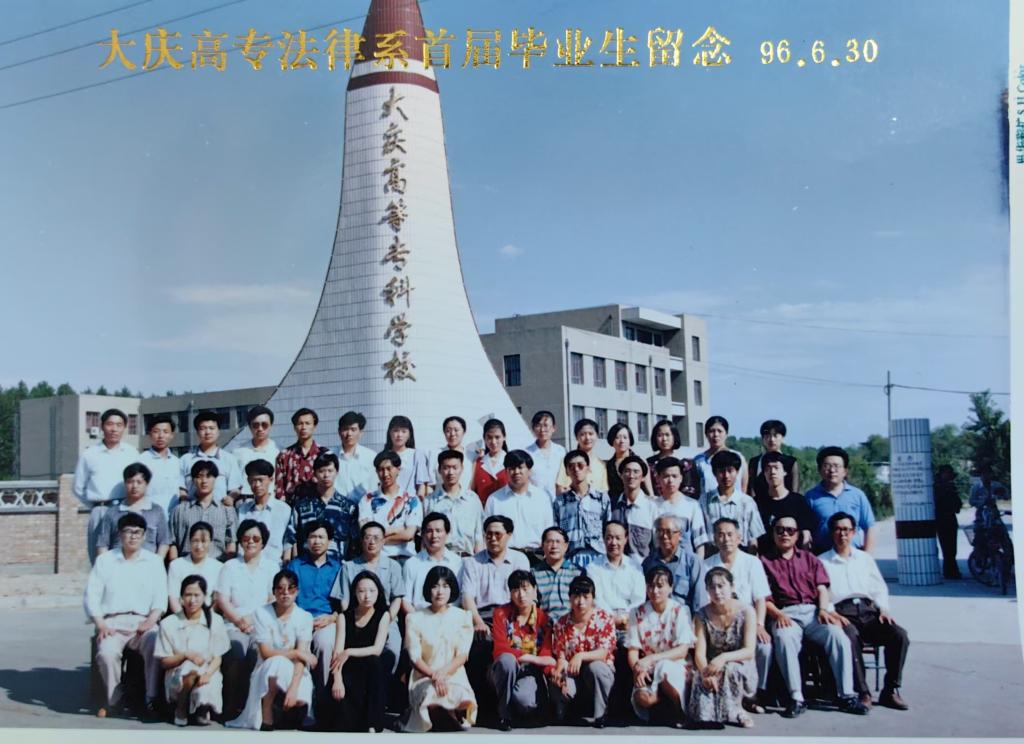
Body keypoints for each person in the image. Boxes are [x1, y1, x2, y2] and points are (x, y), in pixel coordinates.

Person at [759, 516, 867, 718]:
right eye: (780, 530)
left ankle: (847, 695)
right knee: (783, 637)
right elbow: (762, 598)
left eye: (790, 530)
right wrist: (778, 614)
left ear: (797, 535)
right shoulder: (764, 562)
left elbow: (822, 588)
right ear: (773, 534)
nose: (785, 534)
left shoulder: (810, 559)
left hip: (813, 612)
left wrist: (823, 610)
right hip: (785, 613)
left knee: (838, 636)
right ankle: (796, 697)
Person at [821, 512, 911, 710]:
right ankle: (863, 692)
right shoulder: (822, 561)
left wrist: (884, 608)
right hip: (842, 613)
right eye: (838, 529)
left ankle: (890, 690)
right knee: (849, 637)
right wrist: (831, 612)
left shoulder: (864, 558)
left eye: (846, 530)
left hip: (868, 611)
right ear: (831, 532)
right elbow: (821, 593)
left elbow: (878, 587)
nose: (842, 534)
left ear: (853, 533)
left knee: (899, 635)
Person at [84, 512, 167, 719]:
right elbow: (92, 595)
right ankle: (115, 699)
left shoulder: (154, 562)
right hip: (112, 623)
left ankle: (151, 698)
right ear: (120, 534)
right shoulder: (105, 561)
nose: (133, 536)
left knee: (155, 645)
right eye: (128, 532)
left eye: (137, 532)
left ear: (144, 535)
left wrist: (150, 621)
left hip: (143, 622)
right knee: (106, 653)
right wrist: (101, 624)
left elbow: (160, 598)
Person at [226, 569, 316, 731]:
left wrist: (293, 689)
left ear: (297, 591)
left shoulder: (305, 617)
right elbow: (266, 652)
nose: (285, 593)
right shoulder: (261, 613)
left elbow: (301, 659)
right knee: (276, 662)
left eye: (291, 588)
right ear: (274, 592)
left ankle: (292, 713)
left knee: (299, 698)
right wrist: (296, 652)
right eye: (280, 588)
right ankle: (266, 713)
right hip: (266, 669)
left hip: (295, 670)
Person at [695, 519, 772, 702]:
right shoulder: (706, 564)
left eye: (730, 534)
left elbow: (760, 599)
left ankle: (755, 694)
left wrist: (760, 624)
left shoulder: (752, 562)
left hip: (746, 622)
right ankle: (721, 692)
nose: (726, 539)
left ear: (739, 537)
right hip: (717, 622)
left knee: (764, 647)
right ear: (714, 539)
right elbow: (704, 601)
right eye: (721, 535)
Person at [215, 520, 279, 718]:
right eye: (246, 538)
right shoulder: (230, 566)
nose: (251, 542)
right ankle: (231, 703)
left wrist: (252, 620)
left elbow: (273, 598)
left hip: (262, 624)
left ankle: (256, 707)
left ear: (263, 542)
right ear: (240, 541)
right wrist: (239, 621)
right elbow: (222, 600)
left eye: (256, 538)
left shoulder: (271, 567)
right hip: (234, 624)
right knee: (237, 650)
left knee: (258, 652)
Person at [403, 566, 477, 732]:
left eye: (445, 586)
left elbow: (462, 655)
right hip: (425, 676)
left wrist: (442, 674)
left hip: (453, 675)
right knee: (431, 695)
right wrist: (434, 676)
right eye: (435, 586)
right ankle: (439, 715)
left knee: (460, 696)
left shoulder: (463, 617)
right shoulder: (414, 618)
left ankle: (447, 715)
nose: (440, 592)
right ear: (428, 589)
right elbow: (415, 658)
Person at [285, 520, 343, 718]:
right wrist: (302, 620)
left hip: (326, 621)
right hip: (298, 619)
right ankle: (297, 704)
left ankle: (323, 704)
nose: (316, 541)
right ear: (306, 541)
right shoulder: (295, 565)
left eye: (321, 537)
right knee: (295, 647)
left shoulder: (337, 568)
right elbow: (288, 598)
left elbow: (343, 605)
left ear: (329, 541)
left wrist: (332, 618)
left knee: (325, 644)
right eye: (312, 537)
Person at [155, 575, 230, 726]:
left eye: (197, 595)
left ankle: (200, 709)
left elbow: (217, 657)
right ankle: (182, 704)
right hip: (178, 675)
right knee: (189, 667)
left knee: (205, 688)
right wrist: (185, 655)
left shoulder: (215, 621)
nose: (192, 600)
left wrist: (208, 674)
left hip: (208, 671)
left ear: (205, 596)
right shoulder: (168, 623)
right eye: (188, 595)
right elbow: (164, 662)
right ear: (181, 597)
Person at [330, 521, 404, 673]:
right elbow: (344, 600)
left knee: (393, 650)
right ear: (361, 540)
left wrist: (388, 618)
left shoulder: (393, 566)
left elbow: (397, 597)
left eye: (376, 538)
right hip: (356, 620)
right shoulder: (348, 567)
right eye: (368, 537)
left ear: (383, 541)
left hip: (386, 619)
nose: (372, 542)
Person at [689, 567, 758, 729]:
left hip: (740, 663)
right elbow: (699, 653)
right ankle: (710, 715)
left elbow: (749, 651)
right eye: (712, 587)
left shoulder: (747, 611)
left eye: (721, 586)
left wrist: (724, 658)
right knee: (702, 677)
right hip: (712, 665)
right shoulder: (701, 615)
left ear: (732, 587)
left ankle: (737, 711)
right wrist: (705, 672)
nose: (717, 591)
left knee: (730, 669)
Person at [625, 565, 694, 726]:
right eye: (651, 586)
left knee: (664, 668)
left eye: (660, 586)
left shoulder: (680, 610)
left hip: (675, 665)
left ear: (670, 588)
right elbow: (633, 650)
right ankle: (661, 705)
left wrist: (651, 659)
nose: (655, 591)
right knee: (642, 697)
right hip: (647, 668)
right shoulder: (637, 612)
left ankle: (679, 712)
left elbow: (682, 650)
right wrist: (638, 669)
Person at [489, 570, 556, 731]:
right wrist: (534, 658)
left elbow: (546, 654)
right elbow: (500, 649)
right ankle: (504, 713)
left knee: (526, 703)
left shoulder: (544, 619)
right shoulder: (501, 614)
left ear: (534, 589)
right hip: (504, 668)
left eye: (525, 589)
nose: (521, 595)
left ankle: (516, 702)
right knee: (507, 660)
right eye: (515, 590)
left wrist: (553, 672)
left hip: (529, 671)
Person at [549, 575, 617, 727]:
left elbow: (604, 652)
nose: (581, 602)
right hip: (572, 672)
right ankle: (562, 709)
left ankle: (600, 714)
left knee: (597, 668)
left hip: (597, 671)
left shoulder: (604, 619)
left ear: (593, 598)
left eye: (586, 597)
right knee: (557, 677)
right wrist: (560, 669)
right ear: (569, 598)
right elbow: (561, 655)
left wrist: (580, 656)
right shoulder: (561, 623)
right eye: (576, 596)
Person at [328, 571, 392, 732]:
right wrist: (337, 680)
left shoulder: (383, 615)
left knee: (376, 663)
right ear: (354, 593)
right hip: (347, 670)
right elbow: (337, 653)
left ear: (378, 592)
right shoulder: (344, 617)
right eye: (361, 591)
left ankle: (372, 723)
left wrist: (349, 651)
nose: (367, 596)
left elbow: (377, 649)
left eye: (372, 591)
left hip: (369, 669)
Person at [73, 407, 139, 564]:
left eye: (119, 425)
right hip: (100, 511)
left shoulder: (132, 453)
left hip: (125, 509)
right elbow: (78, 487)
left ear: (124, 428)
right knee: (99, 559)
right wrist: (96, 506)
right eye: (110, 424)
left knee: (126, 557)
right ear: (102, 426)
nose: (114, 429)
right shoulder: (89, 454)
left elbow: (139, 481)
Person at [461, 516, 531, 635]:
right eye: (489, 534)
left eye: (498, 534)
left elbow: (525, 594)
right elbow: (467, 597)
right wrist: (478, 623)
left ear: (509, 535)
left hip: (512, 616)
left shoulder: (520, 559)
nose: (493, 539)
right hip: (483, 617)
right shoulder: (473, 562)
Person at [284, 452, 357, 561]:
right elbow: (290, 537)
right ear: (314, 474)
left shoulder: (348, 507)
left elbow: (355, 542)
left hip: (339, 565)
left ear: (337, 472)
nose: (326, 475)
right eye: (321, 471)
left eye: (330, 471)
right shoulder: (301, 507)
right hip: (306, 564)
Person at [805, 447, 876, 554]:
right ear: (819, 470)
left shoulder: (857, 495)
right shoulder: (810, 497)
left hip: (853, 556)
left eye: (837, 466)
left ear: (845, 471)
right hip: (822, 557)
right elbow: (805, 531)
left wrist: (867, 556)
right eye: (827, 466)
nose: (832, 470)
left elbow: (869, 526)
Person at [483, 450, 553, 555]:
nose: (516, 472)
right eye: (511, 468)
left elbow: (549, 531)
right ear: (506, 471)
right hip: (505, 556)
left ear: (529, 470)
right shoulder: (494, 500)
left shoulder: (542, 498)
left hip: (537, 556)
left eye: (520, 467)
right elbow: (486, 534)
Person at [357, 450, 424, 562]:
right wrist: (397, 529)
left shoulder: (411, 500)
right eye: (381, 470)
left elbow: (408, 535)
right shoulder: (367, 500)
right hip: (377, 559)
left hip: (404, 557)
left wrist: (379, 537)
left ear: (398, 469)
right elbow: (367, 535)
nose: (385, 474)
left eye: (389, 468)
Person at [97, 463, 170, 559]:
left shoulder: (156, 511)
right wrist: (106, 564)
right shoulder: (112, 512)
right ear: (125, 483)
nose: (134, 486)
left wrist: (157, 563)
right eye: (130, 482)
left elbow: (164, 542)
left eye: (139, 482)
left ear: (147, 484)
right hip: (117, 563)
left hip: (147, 563)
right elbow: (103, 544)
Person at [584, 521, 646, 635]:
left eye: (618, 538)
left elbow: (639, 599)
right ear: (603, 539)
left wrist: (625, 618)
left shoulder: (635, 567)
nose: (613, 542)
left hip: (630, 619)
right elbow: (597, 599)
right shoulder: (593, 568)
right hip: (601, 620)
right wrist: (612, 619)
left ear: (626, 539)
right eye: (609, 538)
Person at [168, 460, 237, 561]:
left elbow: (231, 544)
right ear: (193, 480)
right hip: (186, 565)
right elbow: (172, 543)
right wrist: (175, 565)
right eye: (199, 476)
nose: (204, 481)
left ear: (215, 479)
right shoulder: (179, 510)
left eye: (208, 476)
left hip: (216, 565)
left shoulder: (227, 511)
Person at [554, 449, 611, 568]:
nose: (576, 469)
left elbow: (608, 528)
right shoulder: (560, 502)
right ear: (567, 471)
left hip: (598, 555)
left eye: (580, 465)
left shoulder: (601, 498)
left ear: (588, 468)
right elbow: (556, 531)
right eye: (571, 466)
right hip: (570, 558)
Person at [699, 451, 765, 553]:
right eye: (721, 471)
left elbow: (753, 538)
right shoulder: (704, 500)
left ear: (737, 472)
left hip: (741, 553)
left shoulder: (747, 502)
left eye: (730, 471)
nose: (726, 476)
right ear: (714, 473)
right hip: (713, 554)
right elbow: (700, 535)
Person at [424, 450, 484, 557]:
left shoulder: (472, 499)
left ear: (462, 469)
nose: (451, 472)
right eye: (446, 468)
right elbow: (424, 538)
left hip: (467, 558)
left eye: (455, 468)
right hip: (439, 559)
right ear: (439, 470)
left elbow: (479, 536)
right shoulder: (430, 501)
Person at [755, 451, 816, 553]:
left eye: (776, 468)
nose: (772, 472)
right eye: (768, 469)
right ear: (764, 473)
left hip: (792, 557)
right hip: (764, 557)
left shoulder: (799, 501)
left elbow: (806, 535)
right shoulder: (756, 503)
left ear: (785, 472)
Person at [179, 410, 243, 508]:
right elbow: (181, 488)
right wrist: (184, 502)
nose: (208, 432)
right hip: (192, 511)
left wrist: (230, 498)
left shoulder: (229, 459)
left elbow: (235, 488)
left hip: (220, 510)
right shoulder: (185, 460)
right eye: (203, 428)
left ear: (218, 432)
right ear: (197, 432)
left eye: (212, 428)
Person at [402, 512, 464, 614]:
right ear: (422, 534)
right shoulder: (411, 564)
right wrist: (417, 619)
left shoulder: (458, 562)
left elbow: (462, 598)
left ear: (447, 534)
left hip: (451, 618)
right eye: (429, 531)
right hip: (420, 617)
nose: (434, 535)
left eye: (438, 531)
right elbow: (405, 601)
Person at [642, 514, 701, 612]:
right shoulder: (649, 563)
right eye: (660, 531)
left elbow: (699, 601)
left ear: (680, 535)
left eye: (669, 532)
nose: (664, 536)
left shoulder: (692, 561)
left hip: (684, 617)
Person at [654, 457, 711, 558]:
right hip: (659, 562)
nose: (670, 480)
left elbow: (699, 542)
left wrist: (698, 564)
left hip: (686, 562)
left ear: (681, 478)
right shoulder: (653, 505)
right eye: (666, 476)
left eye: (674, 476)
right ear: (658, 478)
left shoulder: (692, 505)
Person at [237, 459, 292, 561]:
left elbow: (288, 542)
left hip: (273, 565)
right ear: (248, 481)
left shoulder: (284, 509)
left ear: (271, 480)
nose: (257, 485)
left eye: (261, 480)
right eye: (253, 480)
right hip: (244, 564)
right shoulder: (242, 509)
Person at [611, 455, 659, 563]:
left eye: (636, 472)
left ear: (643, 478)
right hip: (615, 567)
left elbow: (657, 545)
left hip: (642, 568)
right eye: (627, 471)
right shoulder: (612, 505)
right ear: (621, 475)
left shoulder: (652, 507)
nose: (631, 476)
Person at [167, 522, 224, 614]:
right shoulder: (176, 565)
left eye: (203, 541)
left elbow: (217, 600)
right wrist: (184, 618)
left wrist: (206, 618)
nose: (199, 546)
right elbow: (173, 599)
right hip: (181, 615)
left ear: (210, 542)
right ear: (189, 541)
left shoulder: (219, 567)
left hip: (208, 616)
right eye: (195, 541)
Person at [275, 408, 327, 504]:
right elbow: (279, 489)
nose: (303, 427)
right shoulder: (284, 456)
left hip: (318, 506)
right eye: (300, 423)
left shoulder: (324, 454)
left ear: (314, 426)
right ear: (294, 427)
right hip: (291, 507)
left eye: (307, 423)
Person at [138, 413, 185, 516]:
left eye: (165, 432)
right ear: (149, 434)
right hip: (149, 516)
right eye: (156, 432)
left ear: (172, 435)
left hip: (174, 516)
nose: (161, 436)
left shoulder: (177, 462)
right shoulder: (141, 461)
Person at [533, 526, 582, 622]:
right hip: (543, 624)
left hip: (571, 623)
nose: (554, 546)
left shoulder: (577, 573)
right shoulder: (534, 573)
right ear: (542, 545)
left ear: (566, 546)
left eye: (558, 542)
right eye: (549, 542)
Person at [231, 405, 280, 500]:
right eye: (255, 425)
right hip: (245, 501)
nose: (260, 429)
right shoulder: (238, 452)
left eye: (264, 425)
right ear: (250, 426)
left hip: (271, 500)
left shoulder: (279, 452)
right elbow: (234, 483)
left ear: (271, 426)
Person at [693, 416, 748, 500]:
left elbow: (743, 488)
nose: (716, 435)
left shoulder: (738, 457)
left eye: (720, 431)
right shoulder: (698, 461)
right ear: (706, 434)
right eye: (712, 431)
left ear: (726, 434)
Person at [747, 419, 799, 501]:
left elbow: (794, 490)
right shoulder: (755, 462)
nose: (771, 439)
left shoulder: (790, 462)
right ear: (762, 438)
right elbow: (751, 488)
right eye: (767, 436)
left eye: (775, 436)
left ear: (782, 438)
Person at [335, 411, 379, 503]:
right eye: (345, 429)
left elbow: (375, 486)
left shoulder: (371, 457)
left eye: (353, 429)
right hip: (336, 506)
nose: (349, 433)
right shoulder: (330, 456)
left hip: (363, 507)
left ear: (361, 432)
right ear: (339, 432)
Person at [383, 414, 431, 499]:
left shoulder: (417, 454)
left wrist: (418, 503)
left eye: (403, 431)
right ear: (390, 433)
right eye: (396, 430)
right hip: (388, 502)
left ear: (409, 435)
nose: (399, 435)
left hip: (410, 502)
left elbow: (421, 485)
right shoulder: (384, 456)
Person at [605, 423, 653, 506]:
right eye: (617, 437)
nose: (622, 441)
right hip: (616, 507)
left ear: (630, 440)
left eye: (625, 437)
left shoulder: (640, 462)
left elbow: (649, 491)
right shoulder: (608, 465)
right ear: (612, 441)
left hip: (638, 505)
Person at [556, 419, 609, 495]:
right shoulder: (568, 461)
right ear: (576, 437)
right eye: (582, 434)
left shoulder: (602, 465)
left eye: (591, 434)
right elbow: (560, 488)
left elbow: (604, 491)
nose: (587, 438)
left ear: (597, 436)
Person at [526, 410, 567, 503]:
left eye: (546, 425)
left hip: (559, 502)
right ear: (533, 428)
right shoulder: (527, 452)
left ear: (553, 428)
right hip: (535, 501)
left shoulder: (561, 451)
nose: (542, 429)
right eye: (538, 425)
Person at [427, 415, 475, 491]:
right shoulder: (435, 454)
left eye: (456, 430)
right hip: (440, 497)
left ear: (464, 432)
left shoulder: (472, 456)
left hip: (465, 497)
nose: (452, 434)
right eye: (448, 430)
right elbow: (430, 484)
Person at [471, 418, 511, 505]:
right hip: (483, 511)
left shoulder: (512, 461)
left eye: (497, 437)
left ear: (504, 437)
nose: (493, 442)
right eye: (489, 437)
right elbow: (471, 493)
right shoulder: (477, 463)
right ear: (484, 438)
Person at [933, 464, 963, 579]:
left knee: (952, 548)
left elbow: (957, 505)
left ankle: (951, 570)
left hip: (950, 518)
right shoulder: (936, 488)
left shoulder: (951, 487)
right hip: (941, 519)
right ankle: (950, 571)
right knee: (947, 547)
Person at [646, 420, 681, 499]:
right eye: (660, 435)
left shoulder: (684, 462)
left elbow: (690, 490)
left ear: (674, 436)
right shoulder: (649, 464)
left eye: (667, 435)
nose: (664, 439)